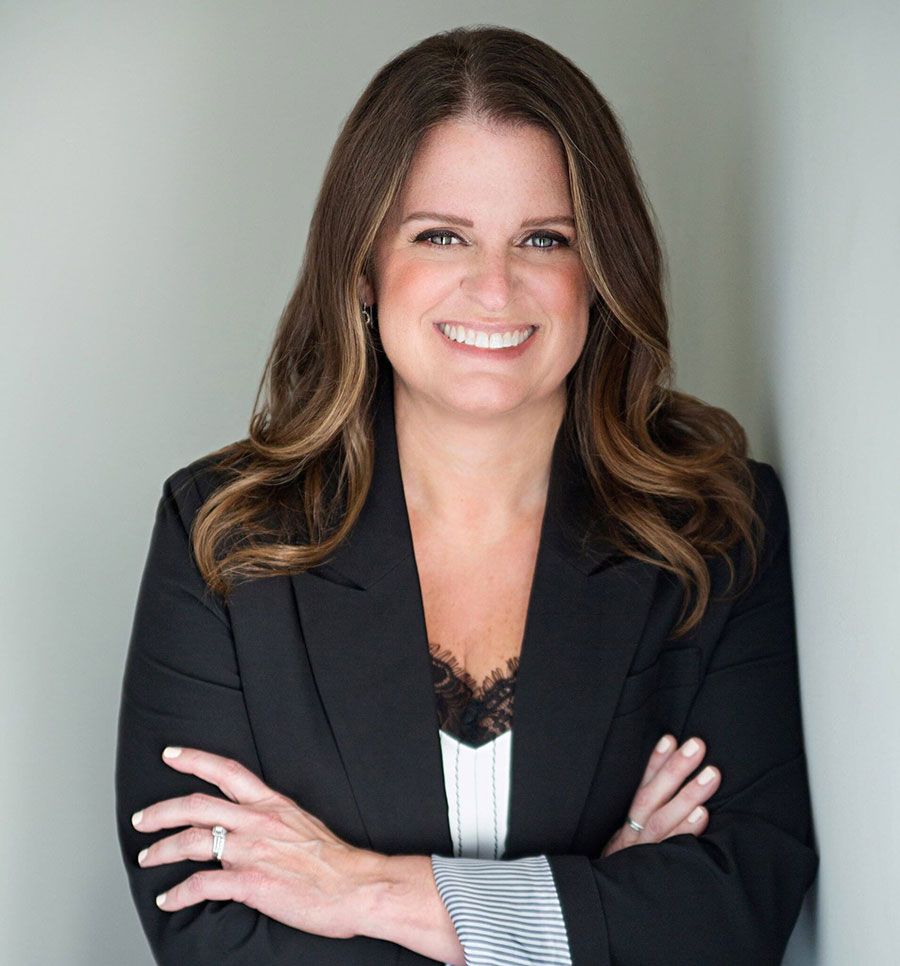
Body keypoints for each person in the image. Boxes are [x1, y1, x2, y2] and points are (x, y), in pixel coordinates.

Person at [115, 23, 818, 966]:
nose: (494, 287)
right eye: (442, 235)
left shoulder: (715, 530)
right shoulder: (226, 538)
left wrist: (358, 888)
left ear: (599, 274)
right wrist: (582, 913)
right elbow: (210, 932)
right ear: (364, 269)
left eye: (544, 238)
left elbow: (733, 913)